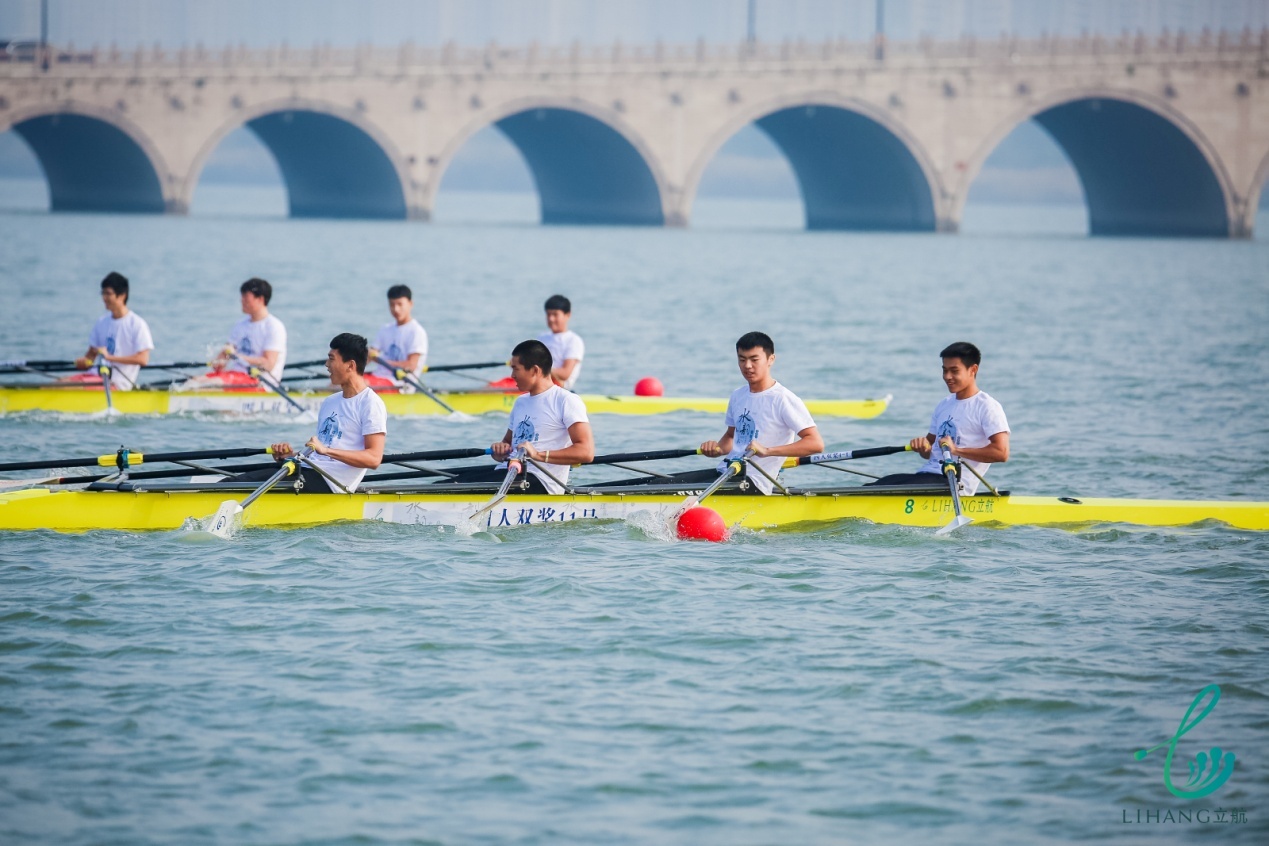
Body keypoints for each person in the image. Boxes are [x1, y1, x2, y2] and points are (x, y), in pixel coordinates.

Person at [226, 334, 386, 494]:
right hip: (307, 469)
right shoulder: (330, 402)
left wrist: (326, 451)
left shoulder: (370, 403)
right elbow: (322, 452)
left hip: (331, 482)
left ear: (350, 365)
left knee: (236, 486)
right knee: (232, 481)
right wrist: (290, 455)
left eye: (331, 359)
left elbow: (374, 458)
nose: (326, 364)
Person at [444, 339, 593, 494]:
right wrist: (500, 451)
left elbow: (586, 452)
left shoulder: (566, 400)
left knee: (452, 489)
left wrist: (537, 455)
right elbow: (508, 445)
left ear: (535, 370)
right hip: (510, 472)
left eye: (516, 369)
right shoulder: (520, 402)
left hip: (541, 481)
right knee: (445, 484)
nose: (512, 375)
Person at [867, 341, 1010, 495]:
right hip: (928, 476)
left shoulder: (987, 406)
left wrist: (956, 450)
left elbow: (1001, 452)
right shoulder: (944, 405)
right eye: (945, 370)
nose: (947, 377)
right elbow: (930, 450)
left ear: (973, 370)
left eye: (954, 371)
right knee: (870, 487)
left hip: (954, 482)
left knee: (876, 492)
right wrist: (922, 446)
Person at [698, 332, 824, 494]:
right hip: (727, 471)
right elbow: (731, 438)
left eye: (754, 359)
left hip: (754, 482)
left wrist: (767, 451)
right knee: (658, 483)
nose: (747, 366)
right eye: (742, 360)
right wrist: (716, 449)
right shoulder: (738, 395)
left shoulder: (783, 399)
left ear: (771, 359)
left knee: (667, 490)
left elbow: (815, 443)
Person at [69, 271, 154, 391]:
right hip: (95, 376)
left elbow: (143, 359)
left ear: (122, 296)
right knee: (57, 384)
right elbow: (90, 358)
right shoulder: (101, 322)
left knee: (63, 387)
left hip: (116, 383)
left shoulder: (137, 324)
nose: (104, 298)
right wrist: (83, 362)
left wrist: (110, 358)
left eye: (108, 294)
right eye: (103, 293)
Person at [215, 278, 287, 384]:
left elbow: (268, 364)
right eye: (242, 296)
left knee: (209, 382)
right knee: (194, 382)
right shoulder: (240, 325)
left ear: (260, 299)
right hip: (236, 377)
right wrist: (219, 361)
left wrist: (238, 357)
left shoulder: (274, 327)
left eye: (246, 297)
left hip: (260, 383)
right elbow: (224, 356)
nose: (242, 300)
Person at [366, 284, 428, 390]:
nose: (396, 309)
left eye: (400, 304)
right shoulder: (385, 329)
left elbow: (411, 365)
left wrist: (382, 361)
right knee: (344, 381)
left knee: (357, 385)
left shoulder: (416, 332)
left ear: (410, 304)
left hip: (400, 384)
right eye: (392, 305)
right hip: (378, 377)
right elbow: (368, 356)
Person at [536, 294, 584, 390]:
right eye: (548, 314)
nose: (551, 319)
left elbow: (565, 374)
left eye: (555, 314)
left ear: (567, 315)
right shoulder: (541, 338)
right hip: (539, 383)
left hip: (560, 387)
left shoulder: (574, 341)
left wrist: (536, 369)